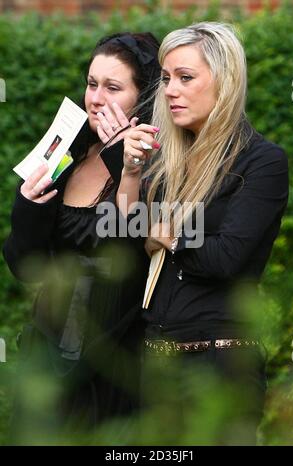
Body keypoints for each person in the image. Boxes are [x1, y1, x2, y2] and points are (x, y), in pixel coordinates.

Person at [116, 22, 289, 445]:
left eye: (185, 78)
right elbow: (124, 231)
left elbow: (226, 258)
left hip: (221, 365)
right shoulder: (167, 162)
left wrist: (166, 234)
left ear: (225, 82)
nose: (169, 90)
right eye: (167, 78)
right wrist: (130, 171)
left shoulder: (261, 162)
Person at [3, 32, 161, 444]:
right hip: (48, 348)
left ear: (141, 98)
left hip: (114, 358)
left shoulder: (160, 164)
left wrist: (120, 158)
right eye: (92, 84)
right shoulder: (69, 154)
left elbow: (132, 248)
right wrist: (28, 205)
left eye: (113, 87)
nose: (95, 98)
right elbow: (23, 264)